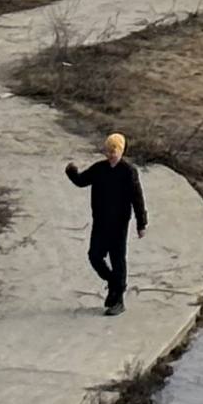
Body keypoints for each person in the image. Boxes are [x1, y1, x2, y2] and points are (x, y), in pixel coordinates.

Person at [64, 133, 147, 315]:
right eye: (107, 151)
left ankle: (118, 300)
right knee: (95, 256)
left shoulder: (128, 171)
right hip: (100, 222)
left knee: (118, 260)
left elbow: (137, 198)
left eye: (113, 151)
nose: (110, 154)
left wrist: (142, 223)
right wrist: (72, 172)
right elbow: (82, 181)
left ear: (121, 151)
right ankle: (113, 282)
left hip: (119, 224)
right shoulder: (99, 169)